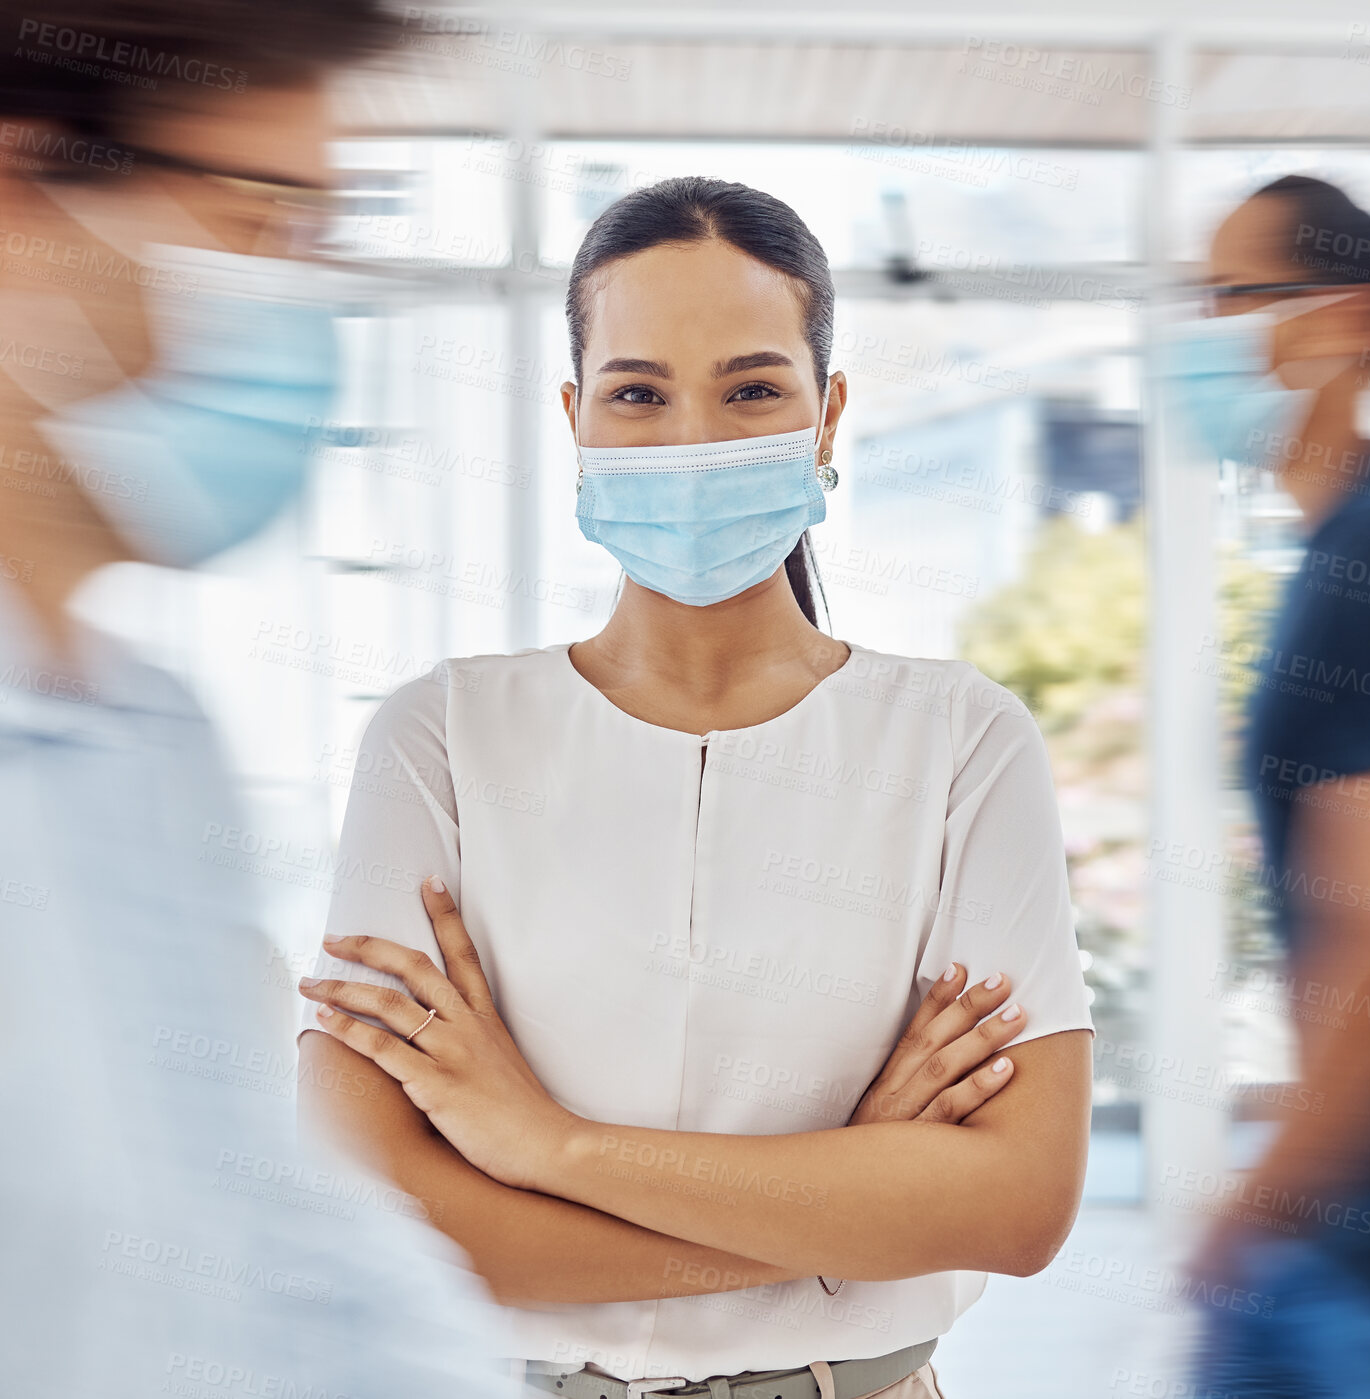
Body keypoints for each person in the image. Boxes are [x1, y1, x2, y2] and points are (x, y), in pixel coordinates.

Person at [297, 176, 1096, 1399]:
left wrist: (546, 1147)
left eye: (752, 390)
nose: (692, 439)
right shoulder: (440, 738)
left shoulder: (961, 742)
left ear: (827, 417)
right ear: (575, 417)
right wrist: (848, 1190)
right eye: (637, 393)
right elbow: (375, 1202)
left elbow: (1015, 1204)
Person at [0, 5, 511, 1395]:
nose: (308, 302)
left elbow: (297, 1258)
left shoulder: (144, 743)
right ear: (22, 197)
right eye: (262, 220)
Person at [1163, 175, 1370, 1396]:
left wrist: (1257, 1208)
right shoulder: (1349, 542)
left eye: (1229, 297)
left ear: (1349, 320)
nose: (1198, 334)